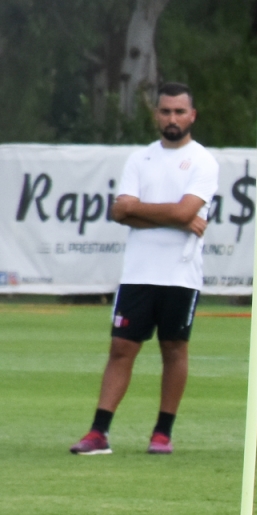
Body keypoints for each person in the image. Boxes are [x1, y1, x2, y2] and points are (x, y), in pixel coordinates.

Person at [69, 83, 218, 456]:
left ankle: (162, 433)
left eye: (179, 112)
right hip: (138, 272)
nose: (172, 118)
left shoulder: (203, 161)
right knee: (121, 348)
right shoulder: (140, 159)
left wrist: (145, 212)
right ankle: (99, 432)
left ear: (192, 116)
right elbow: (120, 211)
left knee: (173, 348)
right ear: (156, 115)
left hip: (180, 274)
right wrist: (174, 217)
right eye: (165, 111)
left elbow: (184, 211)